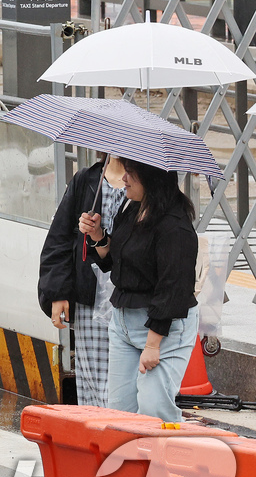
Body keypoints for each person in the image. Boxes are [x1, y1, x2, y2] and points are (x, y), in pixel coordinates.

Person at [80, 158, 198, 423]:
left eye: (131, 174)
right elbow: (115, 262)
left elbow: (173, 289)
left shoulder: (175, 226)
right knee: (120, 411)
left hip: (162, 327)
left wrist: (153, 345)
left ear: (151, 179)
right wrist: (98, 235)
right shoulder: (132, 207)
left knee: (154, 408)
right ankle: (131, 464)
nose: (124, 179)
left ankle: (163, 462)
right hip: (123, 321)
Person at [38, 154, 127, 406]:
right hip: (92, 300)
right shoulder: (87, 180)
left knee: (122, 387)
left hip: (131, 299)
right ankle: (98, 440)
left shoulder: (143, 185)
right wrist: (57, 292)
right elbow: (60, 238)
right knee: (93, 383)